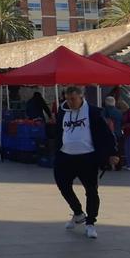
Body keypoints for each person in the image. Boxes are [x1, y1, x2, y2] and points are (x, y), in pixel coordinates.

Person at [54, 85, 117, 239]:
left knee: (91, 190)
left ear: (81, 97)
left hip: (87, 157)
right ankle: (78, 213)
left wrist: (112, 153)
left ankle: (90, 223)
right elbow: (59, 131)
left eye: (73, 99)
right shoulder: (63, 111)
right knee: (62, 184)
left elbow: (106, 134)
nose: (70, 102)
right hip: (66, 155)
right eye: (67, 99)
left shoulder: (93, 112)